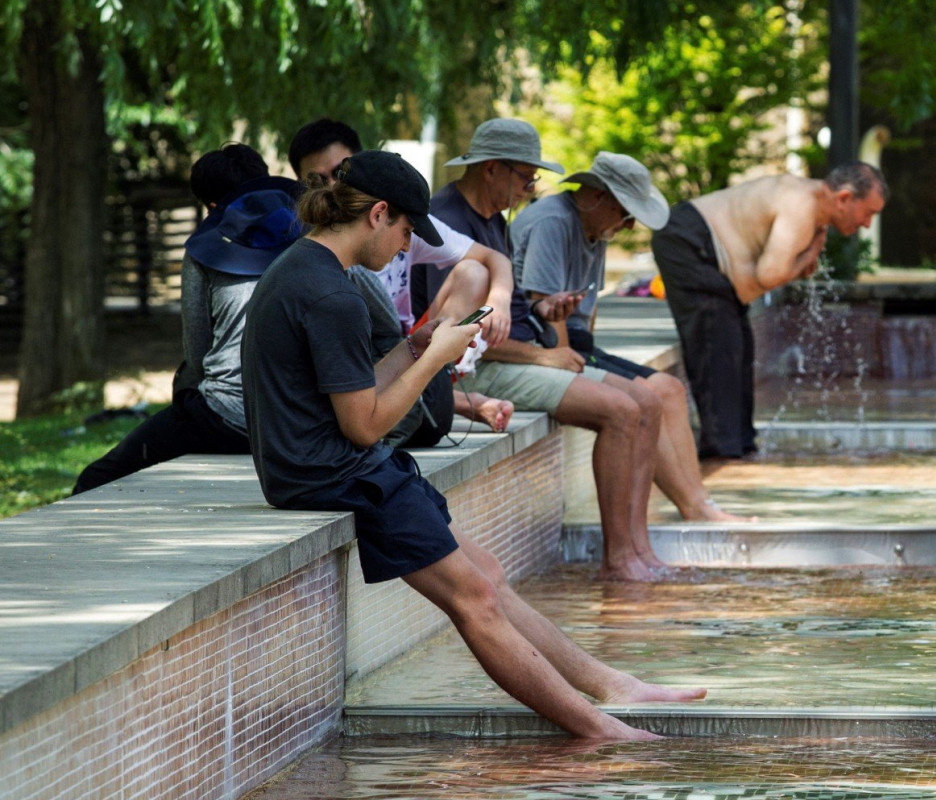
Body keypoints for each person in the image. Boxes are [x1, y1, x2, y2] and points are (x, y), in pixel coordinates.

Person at [241, 150, 705, 739]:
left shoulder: (304, 268)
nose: (407, 249)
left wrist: (415, 348)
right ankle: (599, 731)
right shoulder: (331, 295)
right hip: (331, 472)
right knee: (475, 596)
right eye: (408, 232)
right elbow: (365, 423)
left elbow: (353, 391)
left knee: (485, 570)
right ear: (378, 214)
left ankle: (611, 685)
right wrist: (435, 357)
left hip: (327, 463)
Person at [426, 119, 671, 582]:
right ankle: (618, 559)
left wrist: (545, 310)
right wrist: (543, 356)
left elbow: (512, 311)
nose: (531, 188)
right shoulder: (445, 223)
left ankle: (639, 549)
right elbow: (449, 339)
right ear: (493, 169)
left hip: (512, 355)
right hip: (475, 374)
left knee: (647, 402)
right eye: (526, 177)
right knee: (621, 411)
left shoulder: (493, 221)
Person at [513, 151, 752, 523]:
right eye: (626, 214)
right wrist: (569, 367)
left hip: (571, 342)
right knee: (649, 397)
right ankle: (695, 508)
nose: (628, 226)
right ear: (597, 196)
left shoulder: (596, 228)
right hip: (540, 344)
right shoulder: (553, 223)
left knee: (671, 389)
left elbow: (586, 312)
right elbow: (547, 311)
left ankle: (700, 504)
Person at [73, 145, 303, 493]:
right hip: (298, 420)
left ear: (212, 208)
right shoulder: (315, 240)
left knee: (97, 478)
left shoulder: (206, 251)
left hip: (227, 417)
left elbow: (197, 354)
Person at [288, 118, 515, 436]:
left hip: (384, 353)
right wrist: (432, 357)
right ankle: (454, 397)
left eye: (338, 174)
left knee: (474, 272)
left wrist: (498, 302)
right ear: (379, 214)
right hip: (330, 429)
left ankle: (450, 394)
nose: (332, 188)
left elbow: (493, 259)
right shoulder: (333, 286)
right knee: (430, 417)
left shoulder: (320, 260)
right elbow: (364, 430)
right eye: (317, 179)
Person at [651, 163, 886, 459]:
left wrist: (799, 263)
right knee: (718, 345)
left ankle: (741, 445)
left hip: (700, 241)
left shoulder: (808, 204)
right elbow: (769, 276)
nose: (867, 224)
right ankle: (724, 452)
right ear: (843, 198)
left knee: (738, 345)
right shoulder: (802, 206)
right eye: (869, 212)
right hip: (687, 239)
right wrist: (808, 256)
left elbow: (758, 280)